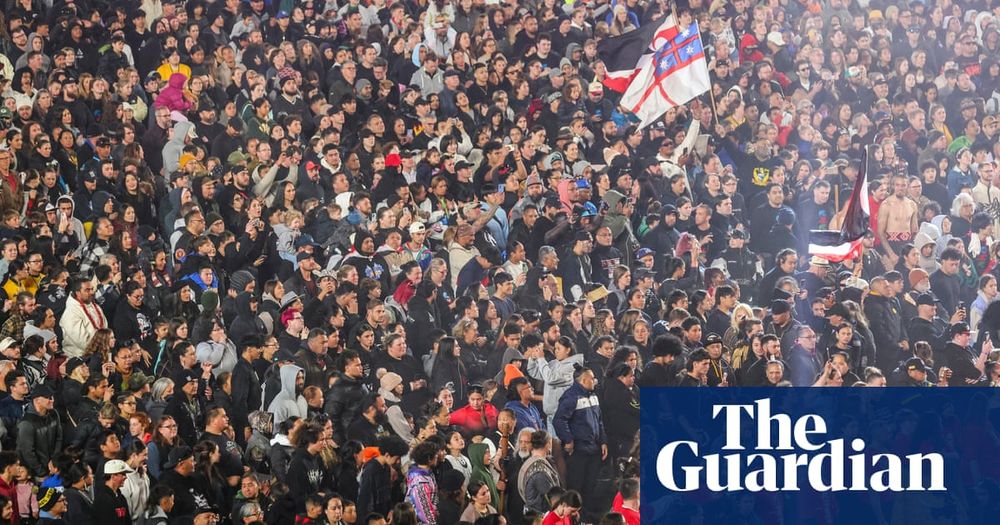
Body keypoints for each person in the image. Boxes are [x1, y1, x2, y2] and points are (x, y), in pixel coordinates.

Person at [92, 459, 133, 525]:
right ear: (113, 476)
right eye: (122, 474)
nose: (125, 477)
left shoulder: (121, 498)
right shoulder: (102, 499)